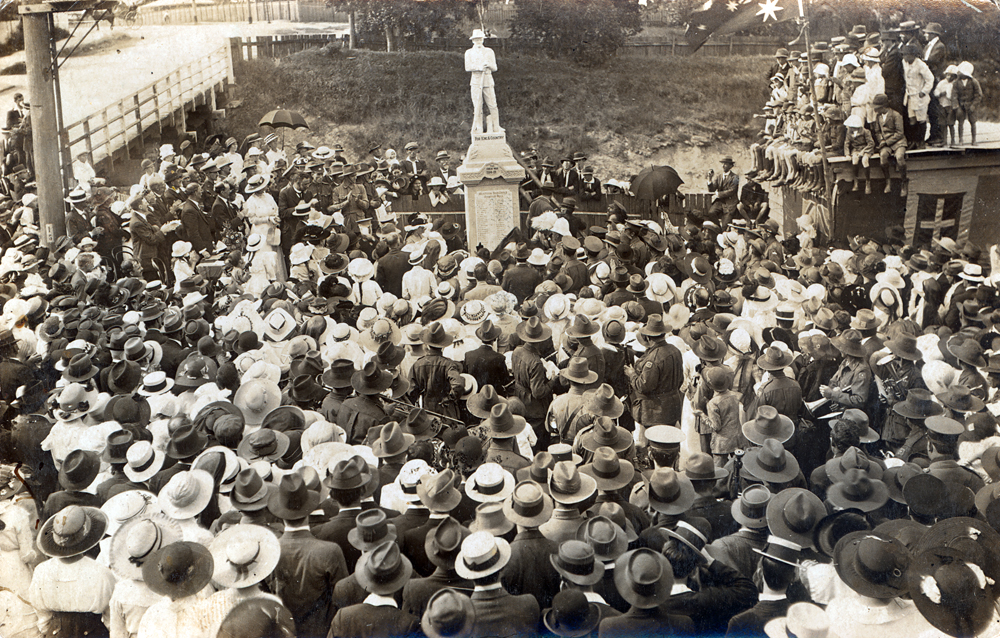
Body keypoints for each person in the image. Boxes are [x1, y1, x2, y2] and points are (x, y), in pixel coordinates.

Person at [871, 93, 908, 197]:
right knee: (883, 157)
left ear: (884, 106)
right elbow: (877, 131)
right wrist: (881, 140)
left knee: (900, 157)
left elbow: (900, 133)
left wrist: (886, 142)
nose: (875, 110)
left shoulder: (896, 115)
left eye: (877, 108)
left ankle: (904, 182)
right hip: (886, 143)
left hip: (898, 142)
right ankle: (888, 181)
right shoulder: (878, 117)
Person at [465, 30, 502, 135]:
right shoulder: (469, 52)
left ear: (483, 39)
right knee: (477, 106)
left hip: (488, 79)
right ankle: (478, 127)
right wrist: (479, 67)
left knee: (493, 104)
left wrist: (488, 65)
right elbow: (467, 67)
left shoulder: (489, 51)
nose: (478, 41)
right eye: (476, 39)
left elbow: (494, 67)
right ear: (473, 41)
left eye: (480, 39)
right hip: (476, 81)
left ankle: (496, 126)